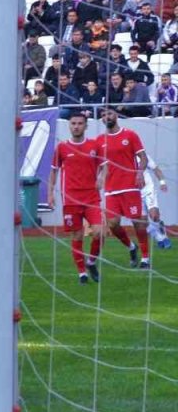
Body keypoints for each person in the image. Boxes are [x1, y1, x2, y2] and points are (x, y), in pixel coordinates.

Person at [50, 113, 104, 284]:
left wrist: (101, 177)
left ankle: (91, 262)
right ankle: (82, 273)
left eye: (80, 123)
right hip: (71, 199)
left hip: (91, 198)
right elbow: (53, 171)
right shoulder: (62, 148)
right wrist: (50, 193)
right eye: (73, 123)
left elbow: (105, 167)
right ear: (69, 126)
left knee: (100, 232)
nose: (76, 126)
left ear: (86, 126)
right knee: (77, 235)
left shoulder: (94, 146)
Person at [98, 106, 151, 269]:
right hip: (111, 189)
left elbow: (143, 158)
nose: (107, 117)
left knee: (138, 223)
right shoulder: (100, 140)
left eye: (109, 113)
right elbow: (101, 165)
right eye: (103, 115)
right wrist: (98, 177)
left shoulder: (130, 134)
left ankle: (145, 258)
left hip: (130, 186)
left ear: (116, 115)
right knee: (112, 224)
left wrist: (140, 173)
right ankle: (131, 247)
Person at [142, 160, 171, 250]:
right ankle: (160, 238)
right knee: (142, 223)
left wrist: (162, 183)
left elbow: (156, 169)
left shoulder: (143, 155)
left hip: (148, 190)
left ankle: (163, 235)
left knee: (154, 215)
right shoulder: (122, 157)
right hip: (133, 193)